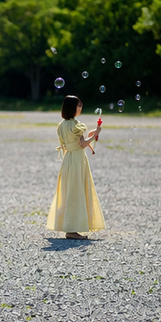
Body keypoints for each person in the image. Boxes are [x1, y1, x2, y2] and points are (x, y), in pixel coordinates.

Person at [46, 95, 105, 240]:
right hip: (78, 160)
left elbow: (75, 141)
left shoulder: (62, 125)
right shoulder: (76, 125)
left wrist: (91, 135)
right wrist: (95, 134)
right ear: (72, 108)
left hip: (68, 160)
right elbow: (82, 144)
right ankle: (72, 230)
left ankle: (69, 226)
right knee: (77, 192)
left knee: (69, 192)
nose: (81, 107)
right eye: (79, 105)